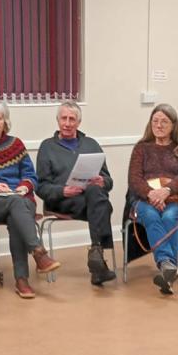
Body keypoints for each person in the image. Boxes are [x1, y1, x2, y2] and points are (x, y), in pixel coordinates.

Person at [0, 100, 62, 300]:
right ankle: (38, 253)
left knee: (17, 211)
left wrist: (24, 186)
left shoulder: (16, 145)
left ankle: (22, 280)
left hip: (18, 198)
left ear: (5, 122)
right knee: (18, 205)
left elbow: (31, 176)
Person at [34, 100, 117, 287]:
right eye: (64, 118)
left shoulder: (91, 144)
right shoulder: (47, 147)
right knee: (104, 206)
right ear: (57, 121)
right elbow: (41, 186)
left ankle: (97, 256)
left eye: (72, 119)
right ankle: (97, 259)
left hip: (89, 199)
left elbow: (109, 181)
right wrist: (62, 190)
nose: (68, 123)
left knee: (97, 191)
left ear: (79, 123)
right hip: (63, 201)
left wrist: (102, 181)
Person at [128, 103, 178, 296]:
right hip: (146, 200)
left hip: (175, 199)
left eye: (164, 121)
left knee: (169, 217)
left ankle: (166, 269)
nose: (159, 125)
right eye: (155, 121)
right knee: (150, 215)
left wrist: (166, 190)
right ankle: (167, 265)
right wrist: (151, 194)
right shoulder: (141, 148)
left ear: (174, 125)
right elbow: (134, 179)